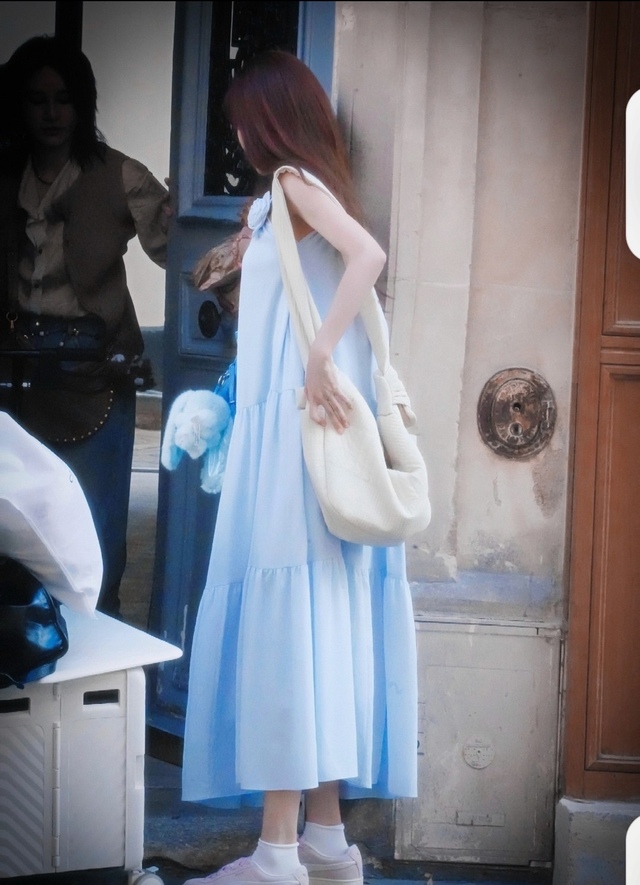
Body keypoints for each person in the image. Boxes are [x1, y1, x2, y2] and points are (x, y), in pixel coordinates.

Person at [180, 50, 418, 885]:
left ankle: (276, 852)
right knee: (314, 626)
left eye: (243, 122)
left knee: (288, 626)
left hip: (295, 441)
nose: (238, 137)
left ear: (268, 122)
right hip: (303, 439)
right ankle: (325, 840)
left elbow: (367, 256)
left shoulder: (290, 182)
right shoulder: (290, 194)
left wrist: (318, 353)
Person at [0, 35, 171, 617]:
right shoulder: (7, 175)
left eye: (64, 100)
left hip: (93, 372)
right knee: (23, 534)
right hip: (17, 372)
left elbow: (182, 248)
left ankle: (99, 652)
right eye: (38, 100)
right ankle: (29, 645)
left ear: (83, 105)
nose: (51, 113)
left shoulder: (120, 174)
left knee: (94, 536)